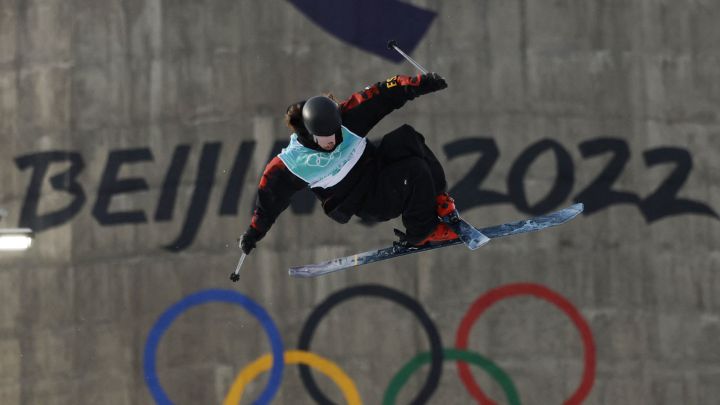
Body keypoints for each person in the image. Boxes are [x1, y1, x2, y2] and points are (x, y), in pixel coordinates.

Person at [240, 73, 461, 255]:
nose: (333, 141)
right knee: (414, 170)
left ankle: (439, 200)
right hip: (370, 200)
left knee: (407, 137)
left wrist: (419, 83)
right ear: (310, 133)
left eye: (335, 132)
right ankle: (421, 233)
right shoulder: (295, 162)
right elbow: (268, 199)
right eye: (325, 137)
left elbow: (384, 92)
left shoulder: (349, 118)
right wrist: (253, 233)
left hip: (378, 169)